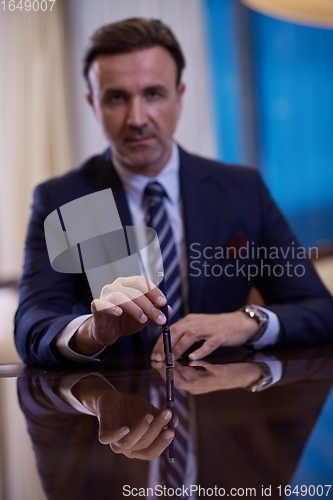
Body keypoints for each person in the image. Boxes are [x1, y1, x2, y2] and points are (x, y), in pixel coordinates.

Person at [14, 18, 333, 366]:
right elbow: (32, 326)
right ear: (94, 104)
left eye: (153, 94)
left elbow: (319, 310)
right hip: (115, 408)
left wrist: (245, 322)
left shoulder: (242, 189)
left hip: (224, 403)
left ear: (179, 97)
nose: (137, 118)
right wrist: (93, 331)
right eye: (117, 98)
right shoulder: (62, 200)